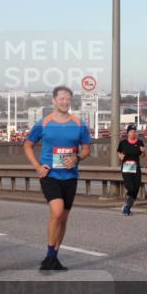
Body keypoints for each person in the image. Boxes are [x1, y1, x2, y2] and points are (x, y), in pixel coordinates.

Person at [22, 85, 92, 271]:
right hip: (50, 175)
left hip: (70, 176)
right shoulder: (43, 123)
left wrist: (77, 157)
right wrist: (37, 166)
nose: (65, 102)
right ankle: (49, 255)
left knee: (64, 218)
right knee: (57, 212)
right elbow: (27, 145)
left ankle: (54, 257)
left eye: (68, 99)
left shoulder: (79, 124)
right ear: (54, 101)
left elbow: (86, 148)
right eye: (61, 98)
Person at [117, 124, 144, 215]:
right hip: (126, 167)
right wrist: (120, 156)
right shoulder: (123, 143)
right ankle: (127, 207)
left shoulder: (140, 142)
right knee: (131, 188)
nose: (133, 133)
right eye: (131, 131)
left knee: (136, 188)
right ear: (128, 133)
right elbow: (119, 151)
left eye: (134, 131)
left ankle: (127, 206)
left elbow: (143, 155)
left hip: (136, 168)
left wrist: (144, 152)